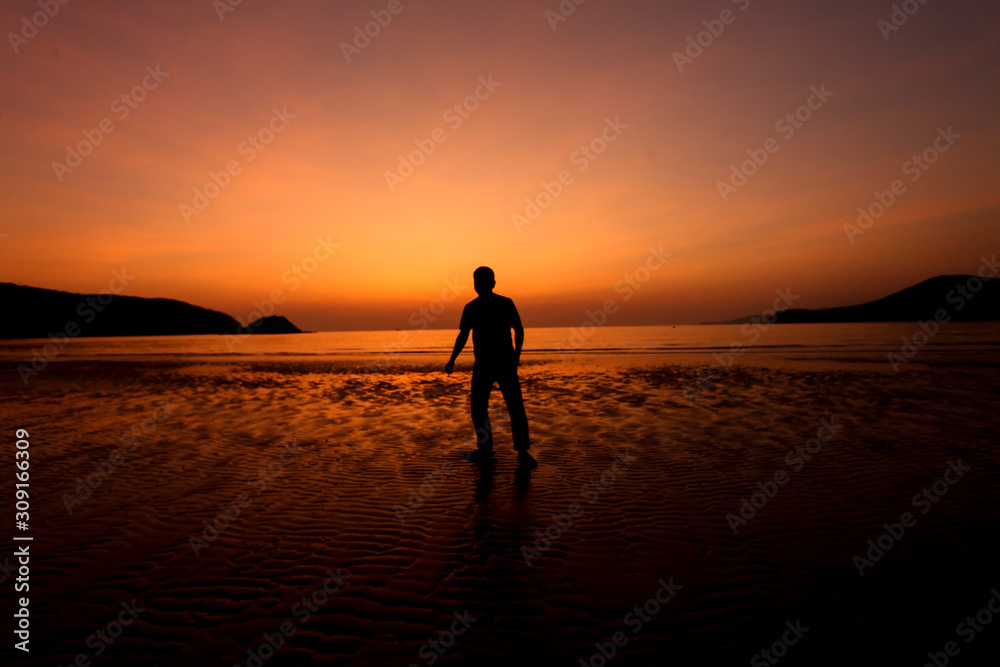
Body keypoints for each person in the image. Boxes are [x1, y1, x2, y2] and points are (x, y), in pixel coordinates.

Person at [445, 266, 536, 467]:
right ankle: (485, 448)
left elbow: (518, 330)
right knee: (478, 408)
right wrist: (452, 359)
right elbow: (463, 335)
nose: (480, 285)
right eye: (477, 281)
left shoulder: (505, 303)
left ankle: (523, 452)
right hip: (483, 364)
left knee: (515, 407)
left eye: (484, 281)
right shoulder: (471, 307)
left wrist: (516, 357)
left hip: (505, 361)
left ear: (493, 283)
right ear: (474, 284)